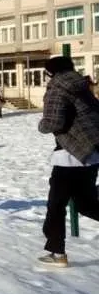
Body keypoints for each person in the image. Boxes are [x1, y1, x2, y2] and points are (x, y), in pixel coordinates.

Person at [36, 56, 99, 267]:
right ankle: (56, 250)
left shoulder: (57, 88)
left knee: (56, 205)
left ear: (51, 73)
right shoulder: (81, 86)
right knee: (87, 204)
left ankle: (57, 253)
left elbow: (54, 122)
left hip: (70, 155)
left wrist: (42, 125)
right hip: (93, 153)